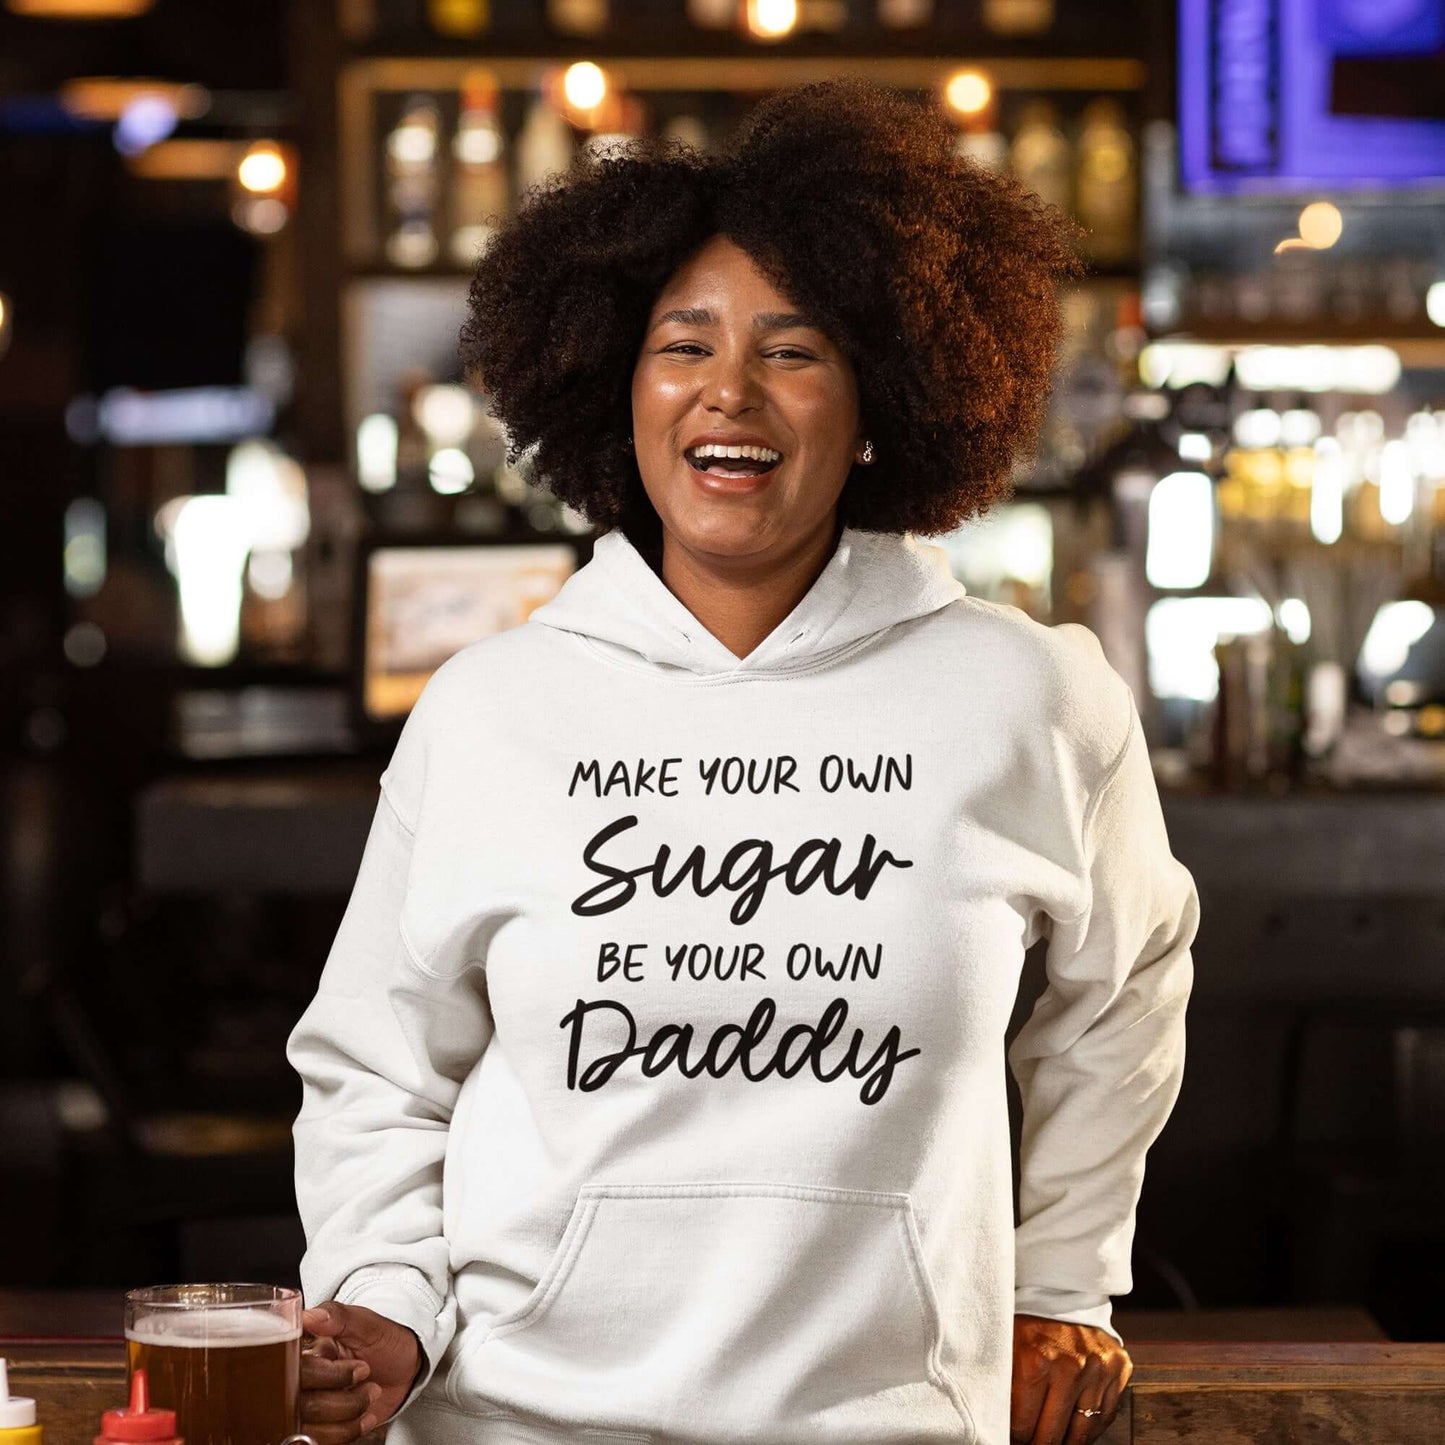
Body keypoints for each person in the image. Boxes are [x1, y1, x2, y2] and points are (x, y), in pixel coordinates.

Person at [287, 77, 1199, 1445]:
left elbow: (1124, 986)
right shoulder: (490, 707)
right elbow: (378, 1067)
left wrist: (1065, 1276)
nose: (729, 390)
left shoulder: (1026, 693)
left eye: (793, 349)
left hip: (887, 1420)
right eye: (682, 343)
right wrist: (383, 1296)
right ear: (613, 381)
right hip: (514, 1420)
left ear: (882, 396)